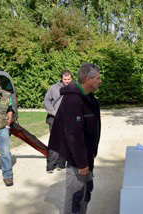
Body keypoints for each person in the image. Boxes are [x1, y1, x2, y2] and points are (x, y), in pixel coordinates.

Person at [48, 63, 102, 214]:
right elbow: (73, 135)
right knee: (75, 198)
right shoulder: (73, 100)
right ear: (88, 79)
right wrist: (81, 163)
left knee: (85, 193)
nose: (100, 81)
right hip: (78, 162)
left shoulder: (88, 98)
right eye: (98, 78)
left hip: (86, 157)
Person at [44, 70, 72, 173]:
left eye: (69, 79)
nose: (67, 81)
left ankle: (61, 164)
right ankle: (51, 166)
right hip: (54, 119)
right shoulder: (53, 88)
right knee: (54, 142)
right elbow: (46, 101)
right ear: (61, 78)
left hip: (68, 120)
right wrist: (53, 112)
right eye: (65, 79)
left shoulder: (74, 88)